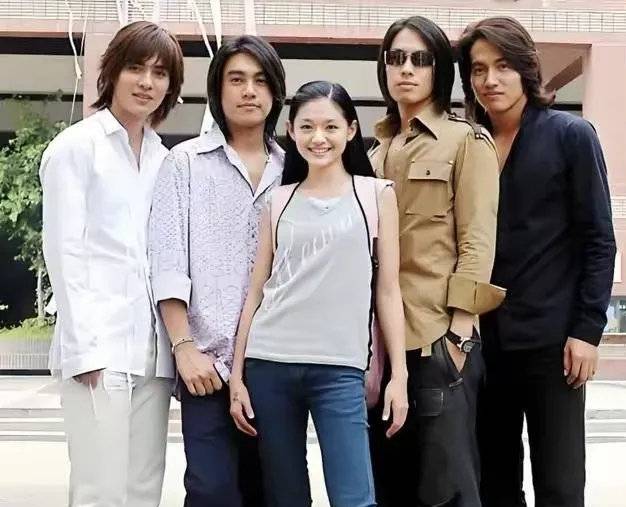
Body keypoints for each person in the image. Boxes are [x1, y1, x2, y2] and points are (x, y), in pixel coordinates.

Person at [457, 17, 616, 507]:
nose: (490, 79)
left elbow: (599, 239)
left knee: (560, 487)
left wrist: (587, 331)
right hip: (484, 343)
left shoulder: (571, 135)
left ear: (526, 68)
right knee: (494, 484)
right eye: (479, 69)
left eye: (503, 66)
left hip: (554, 345)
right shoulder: (469, 145)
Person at [228, 80, 409, 507]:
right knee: (285, 497)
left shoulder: (376, 195)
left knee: (354, 497)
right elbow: (256, 292)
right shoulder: (278, 201)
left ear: (351, 130)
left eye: (330, 126)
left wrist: (398, 376)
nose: (318, 137)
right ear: (291, 131)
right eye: (307, 127)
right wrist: (236, 376)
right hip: (270, 363)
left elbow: (388, 291)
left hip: (340, 369)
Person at [40, 21, 184, 507]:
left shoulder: (165, 159)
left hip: (153, 352)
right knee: (99, 491)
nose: (147, 82)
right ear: (112, 72)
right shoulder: (76, 148)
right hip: (99, 349)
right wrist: (85, 351)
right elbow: (64, 252)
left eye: (160, 73)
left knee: (144, 490)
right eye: (135, 68)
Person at [367, 16, 504, 507]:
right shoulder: (375, 151)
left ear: (440, 70)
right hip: (378, 348)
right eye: (397, 58)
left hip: (436, 342)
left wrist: (459, 336)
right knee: (388, 485)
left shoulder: (466, 142)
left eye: (420, 59)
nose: (407, 69)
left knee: (445, 491)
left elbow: (477, 242)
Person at [148, 35, 286, 507]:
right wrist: (183, 347)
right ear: (218, 90)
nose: (249, 91)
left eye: (261, 80)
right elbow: (168, 262)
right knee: (212, 491)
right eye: (237, 79)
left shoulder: (294, 169)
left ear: (275, 92)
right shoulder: (184, 163)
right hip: (207, 366)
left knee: (271, 493)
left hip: (275, 365)